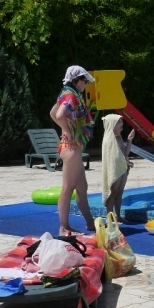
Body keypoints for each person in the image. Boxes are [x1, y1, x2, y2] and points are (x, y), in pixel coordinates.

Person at [50, 65, 98, 236]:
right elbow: (59, 115)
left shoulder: (67, 93)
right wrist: (67, 131)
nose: (86, 83)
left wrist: (66, 129)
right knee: (68, 187)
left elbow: (52, 112)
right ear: (77, 80)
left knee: (82, 187)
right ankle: (64, 227)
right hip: (71, 147)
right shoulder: (71, 96)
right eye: (85, 80)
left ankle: (90, 223)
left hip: (72, 147)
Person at [101, 114, 135, 222]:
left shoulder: (119, 138)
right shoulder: (108, 140)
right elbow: (113, 158)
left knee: (120, 192)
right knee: (113, 193)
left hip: (122, 168)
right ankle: (110, 218)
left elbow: (125, 153)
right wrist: (125, 162)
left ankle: (118, 215)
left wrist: (129, 140)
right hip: (115, 170)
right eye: (119, 123)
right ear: (112, 125)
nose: (122, 125)